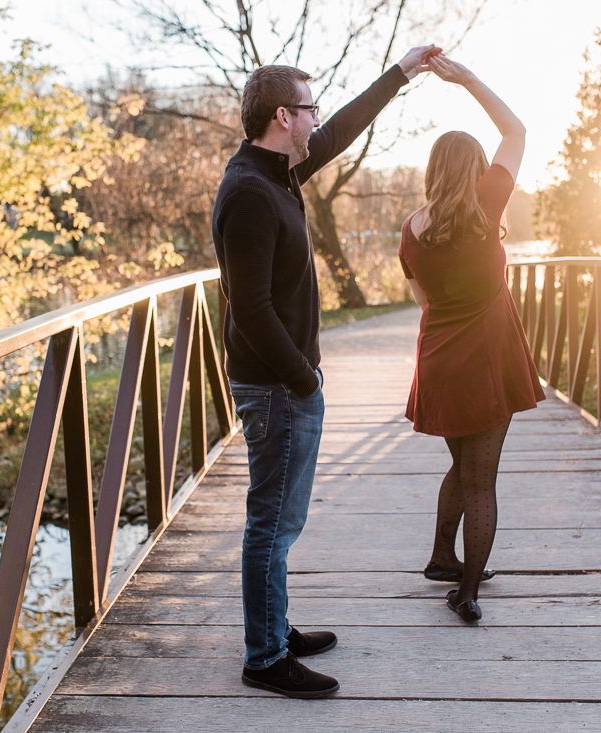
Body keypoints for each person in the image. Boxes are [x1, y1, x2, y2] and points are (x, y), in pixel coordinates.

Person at [212, 45, 440, 698]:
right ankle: (264, 657)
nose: (317, 120)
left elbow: (339, 129)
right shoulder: (251, 192)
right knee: (272, 523)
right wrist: (303, 378)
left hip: (284, 384)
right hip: (277, 386)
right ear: (283, 116)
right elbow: (249, 306)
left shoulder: (274, 171)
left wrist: (399, 73)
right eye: (308, 109)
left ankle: (274, 627)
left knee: (279, 521)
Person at [398, 54, 545, 622]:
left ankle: (441, 557)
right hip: (485, 362)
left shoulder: (412, 229)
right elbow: (517, 130)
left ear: (434, 171)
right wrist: (467, 80)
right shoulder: (487, 208)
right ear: (477, 170)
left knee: (462, 466)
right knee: (482, 479)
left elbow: (424, 303)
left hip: (438, 361)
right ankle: (466, 592)